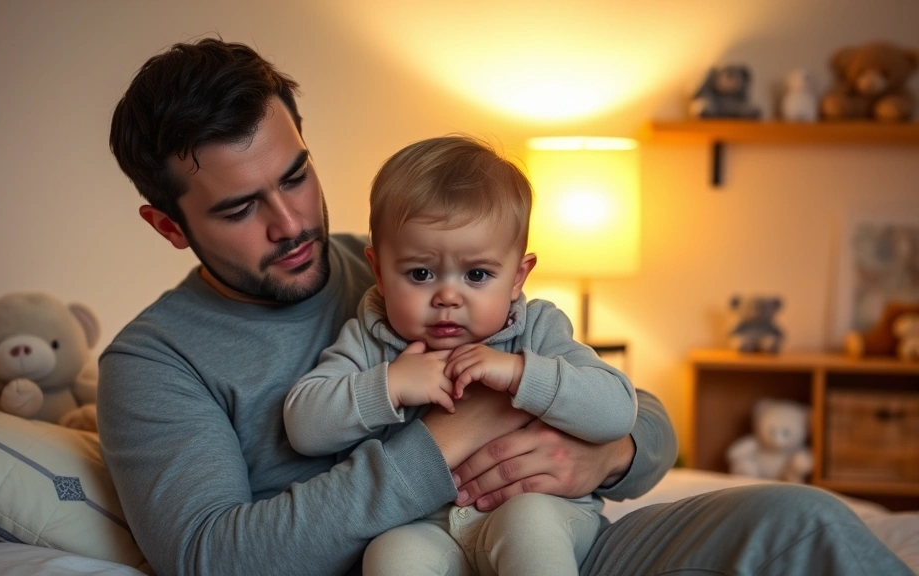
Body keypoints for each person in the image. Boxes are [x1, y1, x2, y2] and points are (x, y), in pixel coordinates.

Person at [100, 37, 914, 576]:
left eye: (296, 176)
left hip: (552, 538)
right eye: (240, 210)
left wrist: (602, 459)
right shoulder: (154, 362)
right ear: (168, 225)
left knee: (806, 523)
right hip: (413, 556)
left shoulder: (404, 258)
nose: (291, 224)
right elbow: (212, 557)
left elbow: (649, 426)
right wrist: (454, 437)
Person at [283, 135, 638, 576]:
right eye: (420, 273)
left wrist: (521, 374)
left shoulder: (540, 328)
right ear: (378, 270)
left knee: (529, 527)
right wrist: (390, 384)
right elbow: (304, 426)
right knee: (391, 555)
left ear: (517, 277)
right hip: (424, 526)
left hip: (536, 507)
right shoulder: (370, 340)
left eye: (477, 274)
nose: (447, 296)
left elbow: (617, 410)